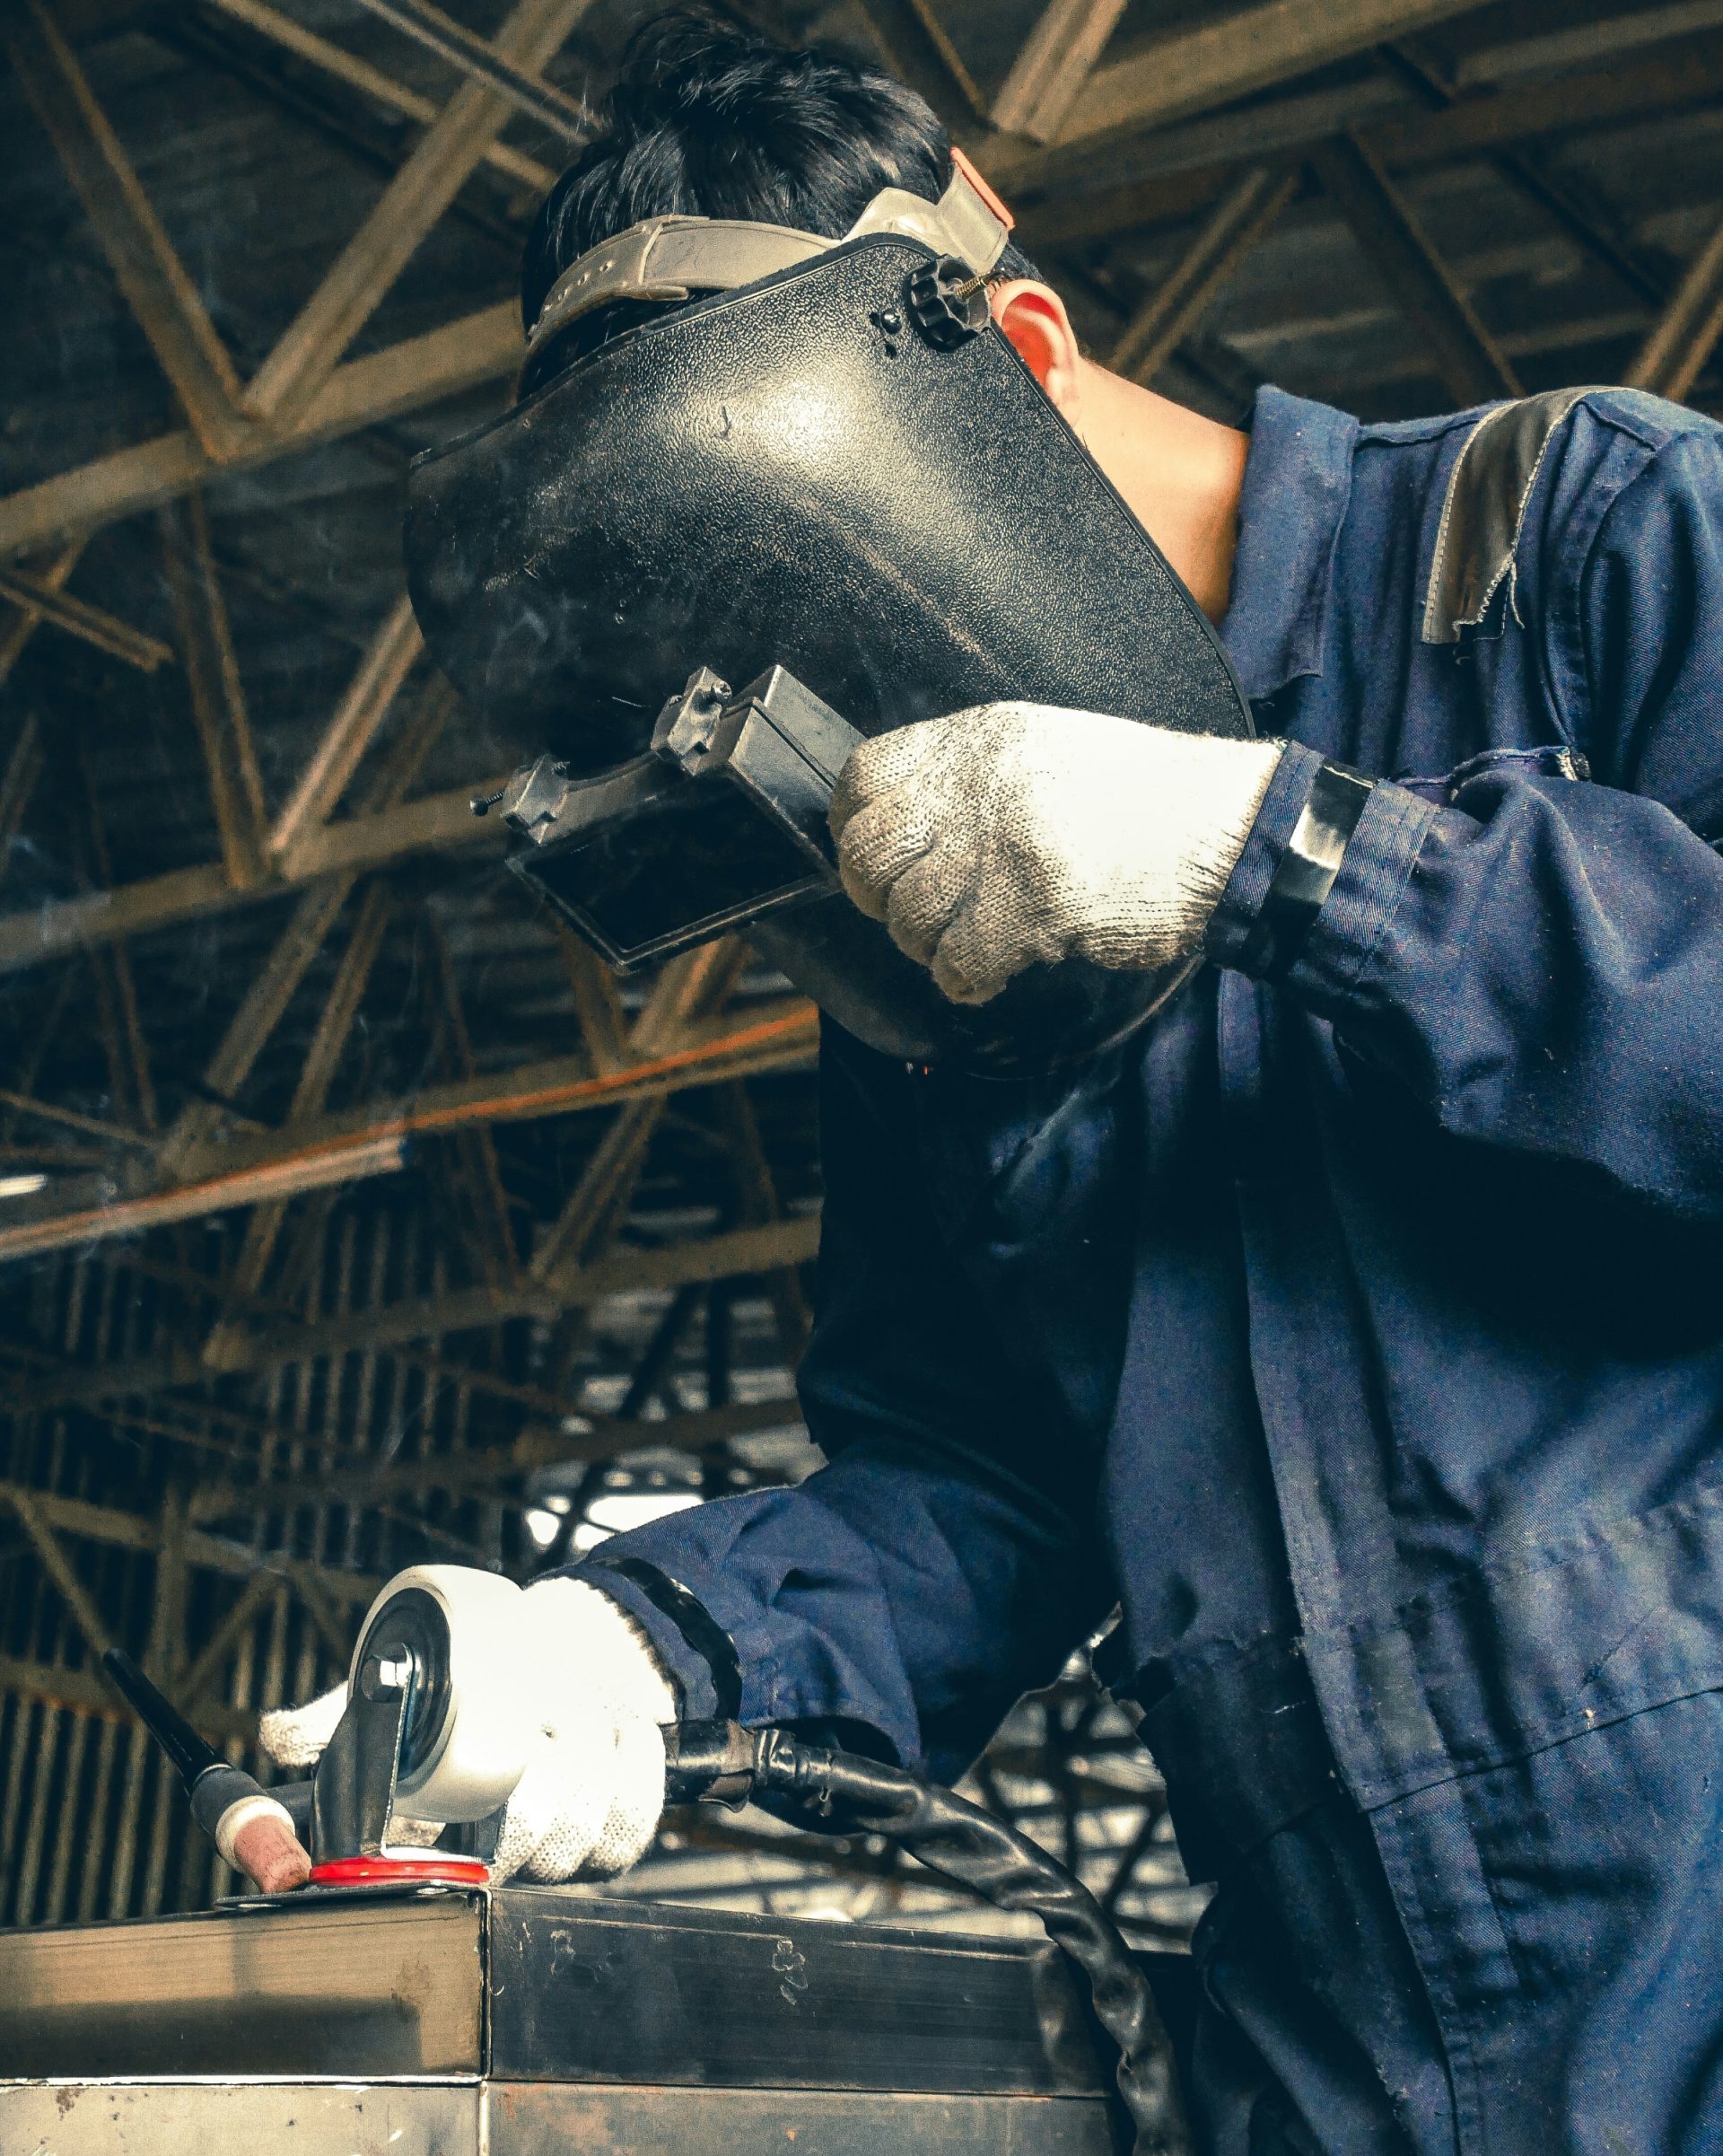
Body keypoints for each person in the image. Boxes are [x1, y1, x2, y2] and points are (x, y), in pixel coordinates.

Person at [265, 16, 1723, 2151]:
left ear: (1016, 351)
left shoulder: (1568, 553)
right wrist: (635, 1641)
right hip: (1358, 2076)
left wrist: (1289, 859)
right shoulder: (940, 906)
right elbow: (972, 1494)